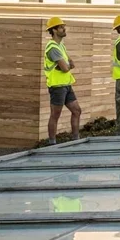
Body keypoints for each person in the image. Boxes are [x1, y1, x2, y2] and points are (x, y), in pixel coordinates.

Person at [43, 16, 82, 144]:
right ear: (54, 30)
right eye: (61, 27)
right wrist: (67, 66)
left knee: (77, 110)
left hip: (66, 84)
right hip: (57, 86)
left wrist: (67, 65)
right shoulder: (53, 48)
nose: (64, 29)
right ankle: (52, 143)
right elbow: (66, 67)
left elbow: (70, 63)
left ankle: (75, 140)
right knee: (55, 114)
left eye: (63, 26)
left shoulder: (61, 46)